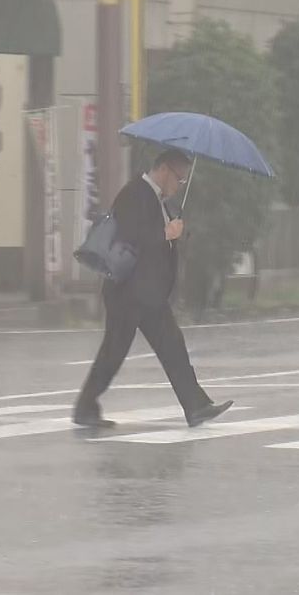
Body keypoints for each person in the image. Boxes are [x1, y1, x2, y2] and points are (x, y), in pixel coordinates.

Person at [73, 149, 233, 428]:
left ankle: (195, 406)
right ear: (164, 170)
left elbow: (159, 242)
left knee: (167, 347)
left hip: (146, 293)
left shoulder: (156, 199)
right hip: (129, 292)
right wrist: (165, 234)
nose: (179, 185)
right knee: (119, 351)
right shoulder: (135, 193)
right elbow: (130, 236)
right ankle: (86, 407)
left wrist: (177, 234)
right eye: (179, 178)